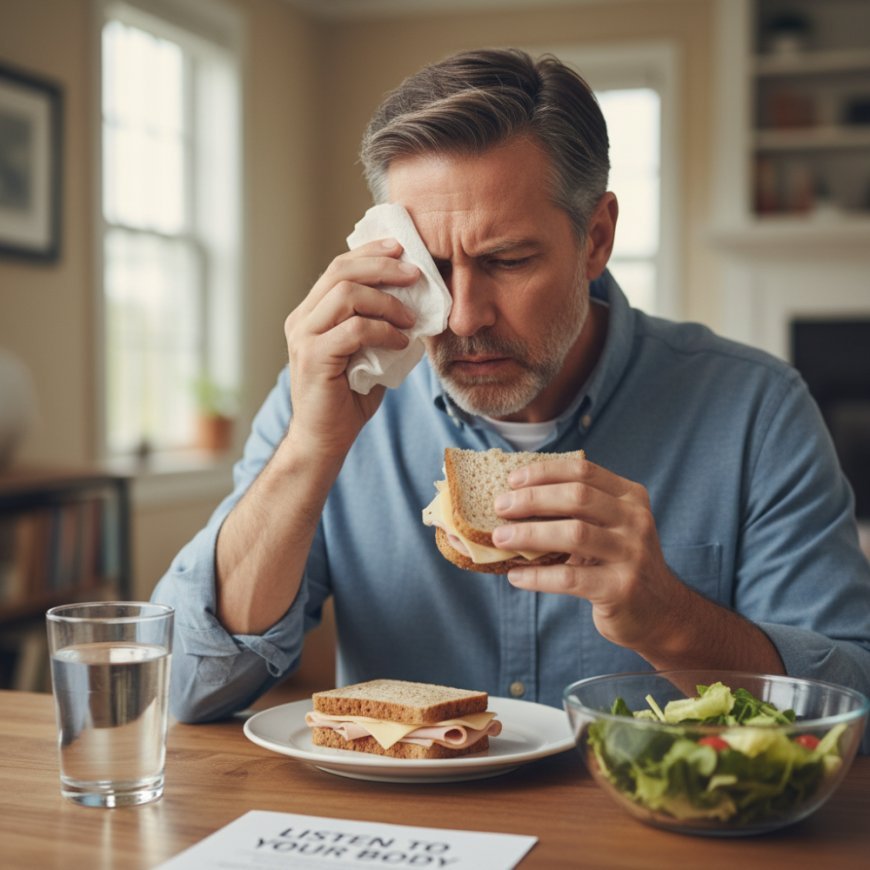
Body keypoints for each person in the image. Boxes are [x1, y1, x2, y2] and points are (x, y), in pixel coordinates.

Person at [152, 48, 870, 733]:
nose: (463, 317)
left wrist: (673, 620)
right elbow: (184, 685)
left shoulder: (757, 412)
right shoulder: (329, 400)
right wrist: (310, 450)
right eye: (429, 269)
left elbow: (856, 707)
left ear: (596, 237)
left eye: (507, 260)